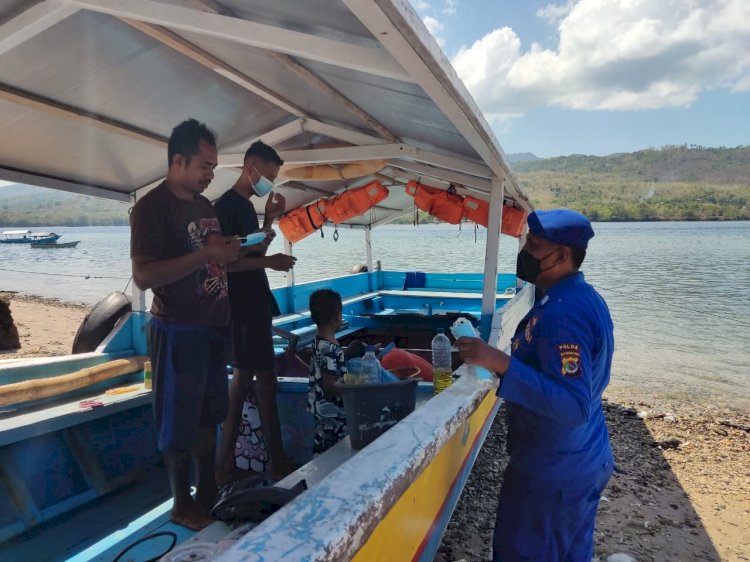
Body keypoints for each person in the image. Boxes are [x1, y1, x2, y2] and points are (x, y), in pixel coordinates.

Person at [456, 208, 614, 562]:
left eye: (534, 245)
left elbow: (574, 405)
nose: (525, 250)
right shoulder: (579, 298)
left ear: (560, 256)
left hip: (553, 472)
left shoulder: (564, 314)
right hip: (583, 457)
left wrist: (497, 362)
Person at [130, 119, 241, 530]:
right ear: (178, 160)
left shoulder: (204, 205)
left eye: (213, 166)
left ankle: (208, 492)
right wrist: (206, 254)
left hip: (212, 326)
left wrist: (230, 252)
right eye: (204, 165)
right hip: (177, 330)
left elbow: (209, 254)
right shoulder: (151, 208)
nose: (211, 174)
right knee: (178, 421)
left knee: (210, 414)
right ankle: (181, 503)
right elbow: (143, 276)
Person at [213, 140, 296, 484]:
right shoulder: (228, 207)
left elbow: (253, 248)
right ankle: (271, 462)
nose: (270, 185)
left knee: (249, 379)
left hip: (253, 304)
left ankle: (230, 464)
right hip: (244, 306)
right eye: (268, 177)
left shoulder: (246, 208)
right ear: (250, 169)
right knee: (260, 381)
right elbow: (224, 264)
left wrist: (271, 217)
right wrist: (271, 263)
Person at [307, 289, 350, 454]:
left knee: (322, 443)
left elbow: (328, 366)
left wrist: (349, 352)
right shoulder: (330, 348)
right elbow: (329, 384)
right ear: (337, 316)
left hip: (319, 407)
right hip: (333, 411)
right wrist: (352, 390)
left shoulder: (319, 342)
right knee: (335, 449)